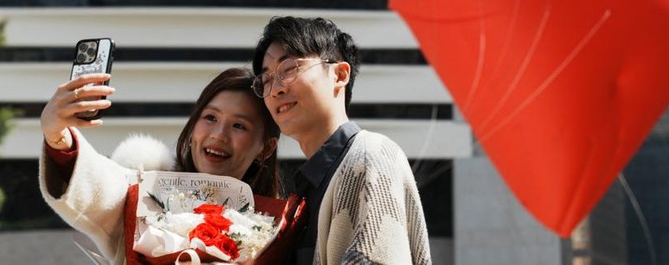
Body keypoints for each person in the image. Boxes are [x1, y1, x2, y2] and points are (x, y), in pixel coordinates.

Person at [39, 67, 281, 264]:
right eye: (210, 118)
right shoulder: (145, 191)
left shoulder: (277, 225)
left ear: (266, 148)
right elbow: (100, 184)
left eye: (239, 125)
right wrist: (58, 137)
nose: (219, 135)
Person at [251, 16, 432, 264]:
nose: (275, 89)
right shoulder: (310, 186)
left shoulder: (370, 156)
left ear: (339, 74)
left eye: (289, 69)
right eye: (267, 79)